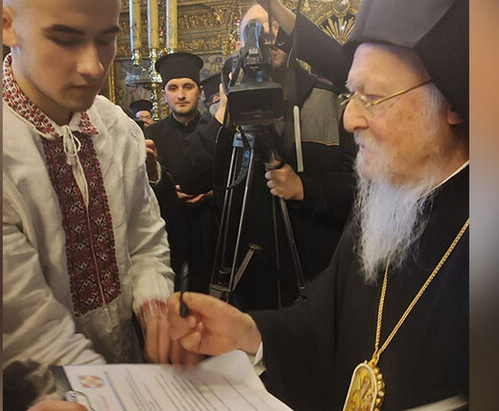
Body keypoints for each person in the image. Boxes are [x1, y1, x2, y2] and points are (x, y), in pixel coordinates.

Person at [168, 0, 469, 410]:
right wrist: (250, 332)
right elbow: (323, 323)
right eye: (351, 96)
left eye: (374, 98)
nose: (349, 120)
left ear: (453, 102)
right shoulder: (384, 208)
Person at [2, 0, 195, 403]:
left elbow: (145, 239)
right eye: (65, 39)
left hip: (127, 364)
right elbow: (28, 328)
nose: (93, 66)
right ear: (7, 26)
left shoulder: (117, 128)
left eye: (106, 40)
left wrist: (153, 305)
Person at [178, 4, 357, 311]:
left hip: (319, 277)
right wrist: (226, 108)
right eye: (254, 31)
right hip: (249, 282)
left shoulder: (330, 102)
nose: (266, 39)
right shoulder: (223, 113)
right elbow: (189, 177)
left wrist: (304, 188)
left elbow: (360, 190)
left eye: (276, 29)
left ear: (292, 39)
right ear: (239, 46)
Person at [144, 52, 219, 295]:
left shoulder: (215, 130)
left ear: (199, 91)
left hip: (212, 227)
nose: (181, 94)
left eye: (187, 87)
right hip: (169, 230)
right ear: (164, 94)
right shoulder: (151, 135)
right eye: (173, 88)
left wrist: (209, 193)